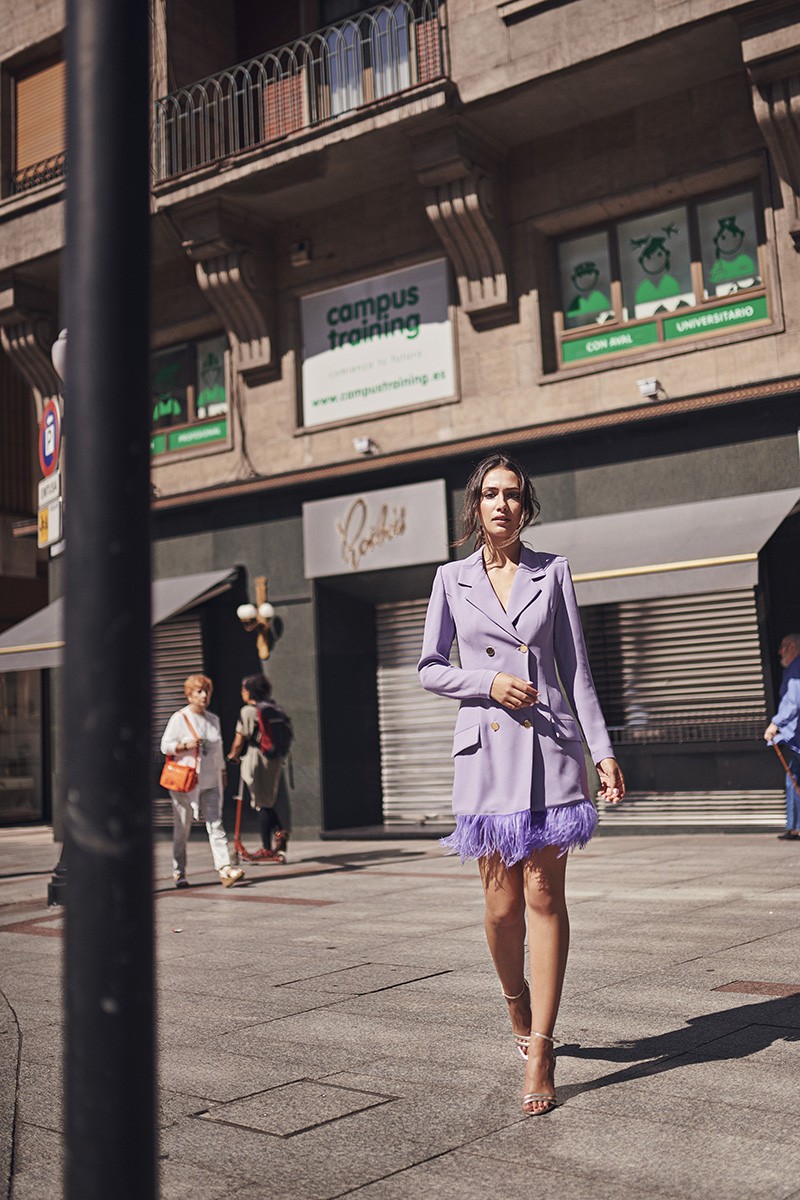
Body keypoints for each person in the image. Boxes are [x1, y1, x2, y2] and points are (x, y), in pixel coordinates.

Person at [418, 452, 624, 1117]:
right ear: (474, 507)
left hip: (552, 749)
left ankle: (541, 1045)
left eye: (511, 494)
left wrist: (603, 750)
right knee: (502, 906)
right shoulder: (450, 580)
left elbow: (578, 670)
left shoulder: (553, 571)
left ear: (525, 506)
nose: (501, 504)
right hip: (486, 755)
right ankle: (516, 1000)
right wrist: (486, 682)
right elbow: (428, 667)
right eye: (489, 494)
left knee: (543, 893)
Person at [160, 673, 245, 888]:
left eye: (207, 691)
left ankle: (225, 869)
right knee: (182, 828)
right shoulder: (180, 718)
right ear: (189, 695)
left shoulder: (213, 720)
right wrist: (184, 746)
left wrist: (223, 775)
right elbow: (165, 746)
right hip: (185, 784)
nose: (204, 695)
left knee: (216, 824)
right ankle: (179, 871)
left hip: (211, 783)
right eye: (199, 691)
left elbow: (218, 751)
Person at [227, 674, 291, 862]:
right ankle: (279, 834)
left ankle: (268, 844)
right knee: (268, 800)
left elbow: (240, 739)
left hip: (256, 758)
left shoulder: (247, 711)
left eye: (244, 689)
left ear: (250, 691)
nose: (242, 692)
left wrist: (232, 756)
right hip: (274, 759)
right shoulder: (275, 708)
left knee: (261, 802)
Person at [763, 633, 800, 841]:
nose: (779, 652)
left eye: (783, 647)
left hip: (797, 738)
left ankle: (796, 827)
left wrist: (775, 724)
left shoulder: (796, 669)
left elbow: (793, 702)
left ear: (793, 648)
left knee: (793, 778)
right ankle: (795, 826)